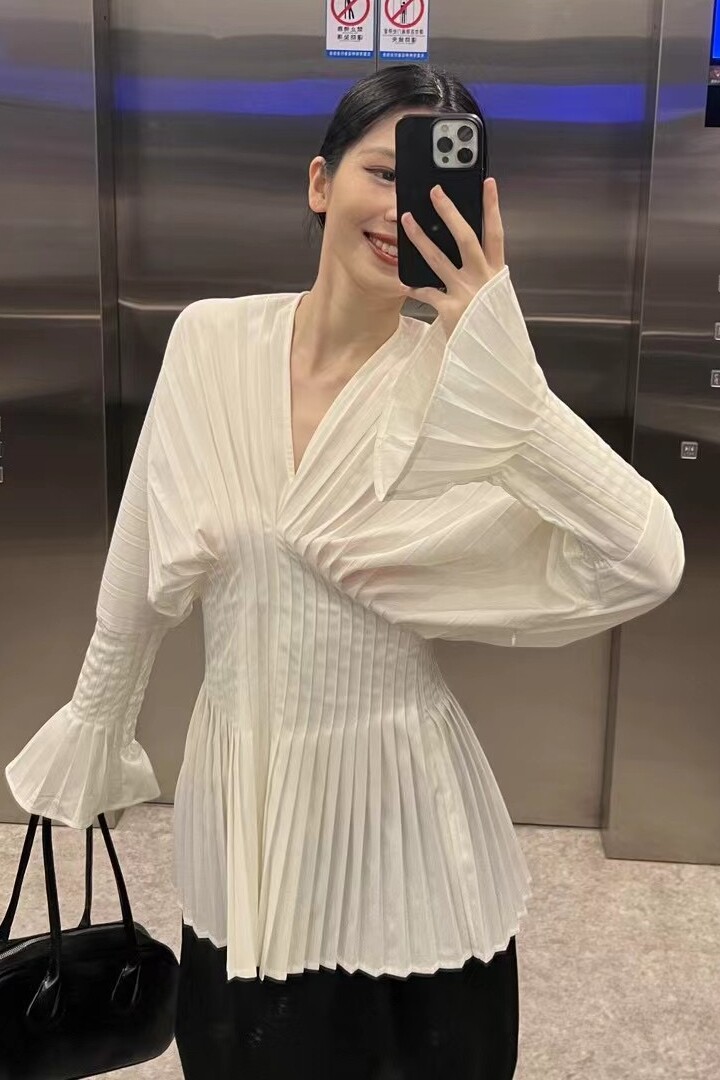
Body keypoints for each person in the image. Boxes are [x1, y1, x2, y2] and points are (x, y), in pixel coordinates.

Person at [4, 63, 684, 1079]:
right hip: (247, 816)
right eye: (384, 171)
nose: (405, 209)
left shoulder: (465, 388)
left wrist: (504, 370)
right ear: (320, 181)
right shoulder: (210, 343)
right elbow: (139, 558)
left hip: (402, 821)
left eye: (437, 187)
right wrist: (97, 727)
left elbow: (645, 557)